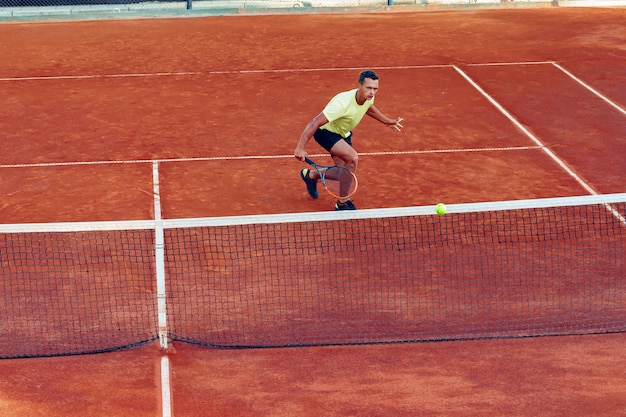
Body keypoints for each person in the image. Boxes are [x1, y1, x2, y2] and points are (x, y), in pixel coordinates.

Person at [294, 69, 403, 211]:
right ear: (359, 86)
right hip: (325, 132)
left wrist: (387, 121)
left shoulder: (368, 97)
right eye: (368, 88)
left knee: (344, 174)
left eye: (375, 89)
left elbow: (368, 108)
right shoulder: (342, 103)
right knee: (352, 159)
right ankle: (342, 203)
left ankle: (311, 175)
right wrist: (300, 147)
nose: (372, 92)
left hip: (343, 133)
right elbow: (314, 122)